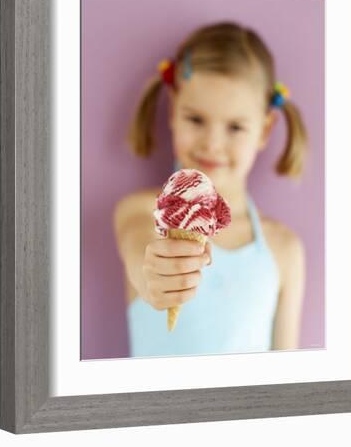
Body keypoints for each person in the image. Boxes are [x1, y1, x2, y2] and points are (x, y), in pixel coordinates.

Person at [113, 21, 307, 358]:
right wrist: (153, 277)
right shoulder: (141, 212)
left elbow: (285, 378)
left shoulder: (284, 249)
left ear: (264, 131)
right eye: (196, 119)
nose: (212, 143)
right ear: (173, 111)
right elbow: (138, 252)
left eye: (235, 127)